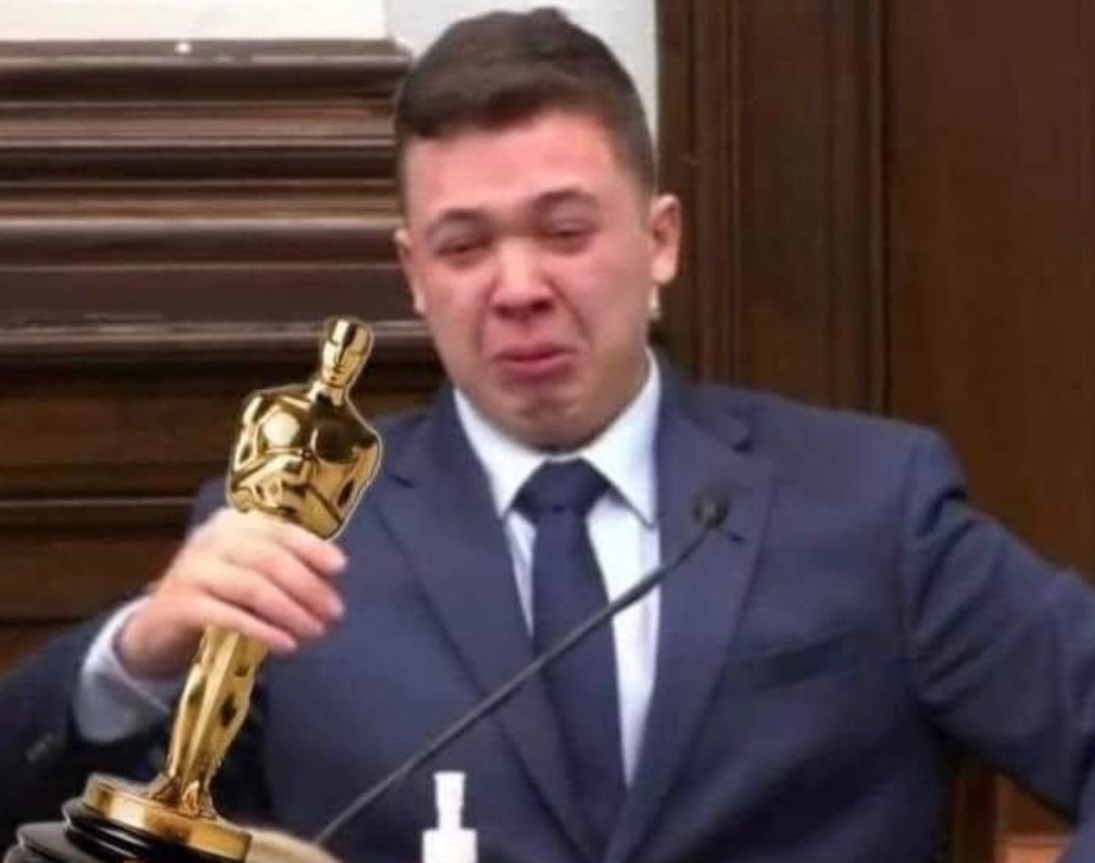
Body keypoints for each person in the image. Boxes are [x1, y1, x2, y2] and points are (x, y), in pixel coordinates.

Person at [3, 7, 1095, 863]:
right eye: (465, 246)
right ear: (414, 275)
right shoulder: (293, 538)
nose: (519, 287)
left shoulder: (869, 502)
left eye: (565, 231)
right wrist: (131, 660)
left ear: (659, 239)